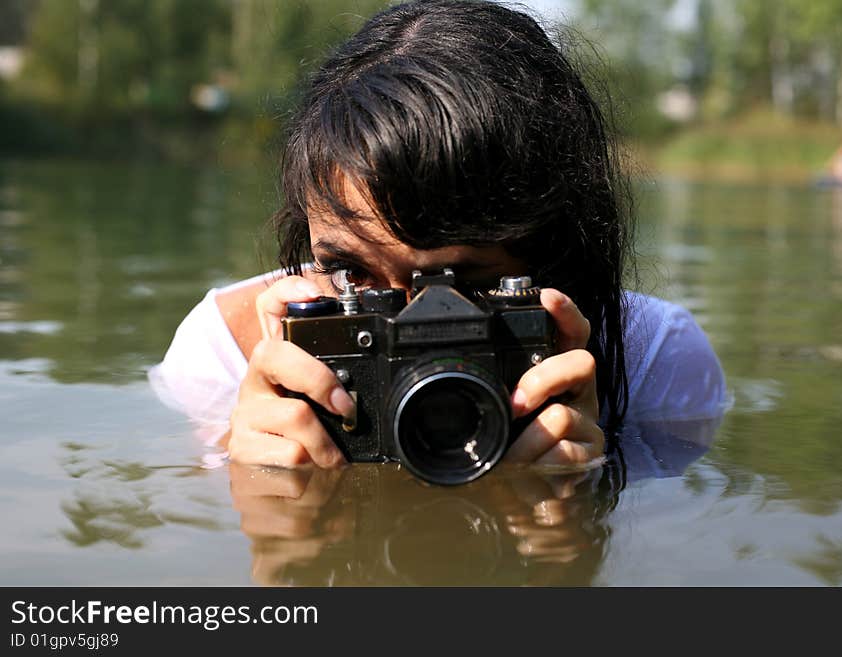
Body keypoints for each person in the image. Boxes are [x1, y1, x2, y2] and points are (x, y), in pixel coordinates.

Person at [149, 0, 726, 471]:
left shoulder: (651, 359)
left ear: (554, 255)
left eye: (463, 283)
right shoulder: (227, 349)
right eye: (354, 277)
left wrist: (580, 504)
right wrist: (262, 495)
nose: (411, 327)